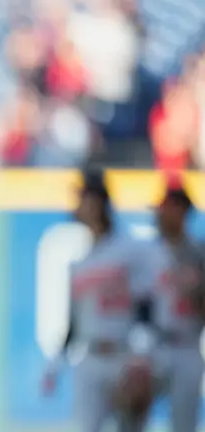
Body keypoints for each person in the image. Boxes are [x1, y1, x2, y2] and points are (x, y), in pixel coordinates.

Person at [41, 169, 157, 432]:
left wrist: (142, 355)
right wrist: (55, 364)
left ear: (96, 202)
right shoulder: (80, 261)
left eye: (82, 198)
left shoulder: (129, 249)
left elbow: (147, 306)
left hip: (124, 355)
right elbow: (74, 322)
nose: (77, 205)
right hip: (90, 357)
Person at [148, 174, 205, 432]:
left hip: (188, 343)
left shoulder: (198, 253)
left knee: (184, 423)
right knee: (131, 414)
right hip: (152, 344)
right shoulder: (147, 252)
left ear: (181, 211)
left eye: (167, 208)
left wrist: (195, 293)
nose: (160, 214)